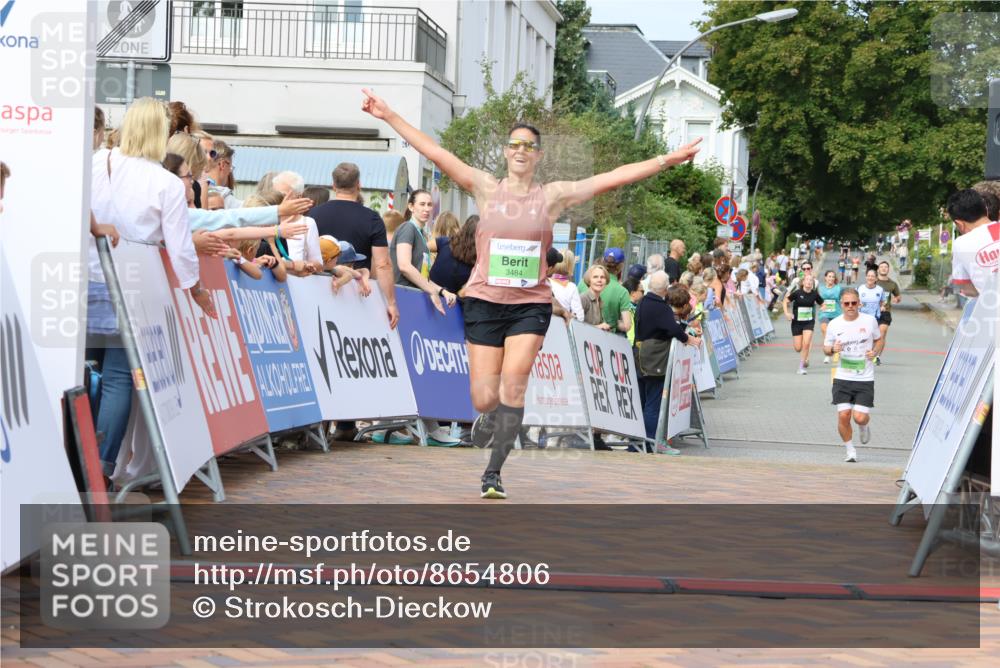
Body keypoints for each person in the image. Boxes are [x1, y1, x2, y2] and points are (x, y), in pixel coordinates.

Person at [361, 87, 701, 498]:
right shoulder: (485, 188)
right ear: (506, 152)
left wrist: (666, 160)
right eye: (515, 145)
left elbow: (611, 178)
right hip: (484, 303)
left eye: (530, 146)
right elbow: (436, 153)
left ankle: (494, 472)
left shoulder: (552, 196)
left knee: (514, 386)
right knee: (484, 398)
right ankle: (488, 420)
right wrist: (388, 114)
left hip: (529, 306)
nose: (521, 151)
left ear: (538, 155)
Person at [88, 98, 216, 485]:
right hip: (133, 283)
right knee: (117, 379)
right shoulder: (164, 183)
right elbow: (179, 247)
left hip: (82, 275)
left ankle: (72, 456)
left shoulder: (94, 162)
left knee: (78, 373)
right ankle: (102, 468)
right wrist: (196, 289)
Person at [310, 161, 400, 442]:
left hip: (316, 290)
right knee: (347, 357)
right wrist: (391, 301)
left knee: (321, 355)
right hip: (356, 294)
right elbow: (383, 265)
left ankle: (323, 423)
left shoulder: (314, 214)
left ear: (332, 185)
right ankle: (346, 423)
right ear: (359, 185)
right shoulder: (371, 217)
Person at [634, 272, 700, 455]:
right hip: (655, 359)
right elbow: (672, 328)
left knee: (642, 400)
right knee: (654, 403)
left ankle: (638, 442)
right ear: (665, 289)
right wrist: (688, 338)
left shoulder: (643, 302)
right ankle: (652, 442)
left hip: (639, 355)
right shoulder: (660, 307)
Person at [822, 288, 883, 463]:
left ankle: (863, 426)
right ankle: (850, 450)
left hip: (865, 377)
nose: (850, 307)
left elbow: (879, 339)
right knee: (843, 415)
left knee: (859, 417)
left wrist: (875, 351)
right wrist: (833, 349)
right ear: (841, 304)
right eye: (846, 303)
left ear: (859, 303)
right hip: (842, 377)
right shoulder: (834, 324)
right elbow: (826, 348)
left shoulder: (870, 321)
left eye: (854, 303)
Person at [390, 189, 457, 314]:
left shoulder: (421, 234)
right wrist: (431, 291)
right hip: (402, 297)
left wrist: (443, 291)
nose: (426, 209)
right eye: (422, 204)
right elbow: (404, 266)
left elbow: (422, 277)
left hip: (413, 297)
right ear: (411, 206)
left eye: (429, 204)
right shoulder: (408, 228)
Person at [948, 188, 1000, 297]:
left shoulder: (961, 244)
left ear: (959, 224)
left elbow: (965, 288)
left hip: (993, 309)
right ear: (986, 210)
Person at [272, 171, 323, 273]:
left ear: (299, 197)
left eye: (282, 195)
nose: (276, 198)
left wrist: (307, 265)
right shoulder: (265, 220)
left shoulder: (307, 223)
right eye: (274, 193)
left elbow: (318, 264)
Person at [783, 274, 824, 374]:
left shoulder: (814, 294)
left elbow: (823, 304)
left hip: (809, 322)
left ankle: (801, 367)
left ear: (812, 284)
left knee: (806, 344)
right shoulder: (797, 293)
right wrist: (787, 313)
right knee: (798, 348)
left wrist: (822, 309)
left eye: (811, 281)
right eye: (807, 280)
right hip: (797, 323)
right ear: (803, 282)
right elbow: (785, 301)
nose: (809, 282)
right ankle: (802, 353)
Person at [428, 214, 478, 295]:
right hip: (452, 303)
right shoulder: (476, 264)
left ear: (464, 228)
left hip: (429, 293)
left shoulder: (445, 242)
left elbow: (422, 248)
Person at [874, 261, 901, 365]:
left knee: (882, 334)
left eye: (886, 267)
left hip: (886, 311)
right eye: (882, 267)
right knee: (872, 336)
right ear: (878, 269)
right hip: (872, 312)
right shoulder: (874, 281)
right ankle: (870, 352)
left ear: (888, 269)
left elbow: (898, 296)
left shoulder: (892, 284)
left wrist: (896, 300)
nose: (884, 269)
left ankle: (876, 356)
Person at [549, 249, 583, 322]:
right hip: (563, 327)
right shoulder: (571, 287)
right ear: (571, 266)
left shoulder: (545, 282)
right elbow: (579, 316)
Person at [818, 270, 843, 364]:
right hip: (824, 313)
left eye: (833, 277)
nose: (831, 278)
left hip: (836, 313)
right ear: (825, 278)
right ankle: (827, 354)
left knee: (838, 334)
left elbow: (842, 300)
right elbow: (816, 299)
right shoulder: (820, 288)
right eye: (829, 276)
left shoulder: (838, 288)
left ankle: (838, 352)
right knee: (825, 330)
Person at [580, 265, 612, 330]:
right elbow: (576, 326)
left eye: (602, 277)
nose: (599, 280)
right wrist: (598, 327)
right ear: (589, 280)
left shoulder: (599, 300)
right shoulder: (583, 298)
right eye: (595, 277)